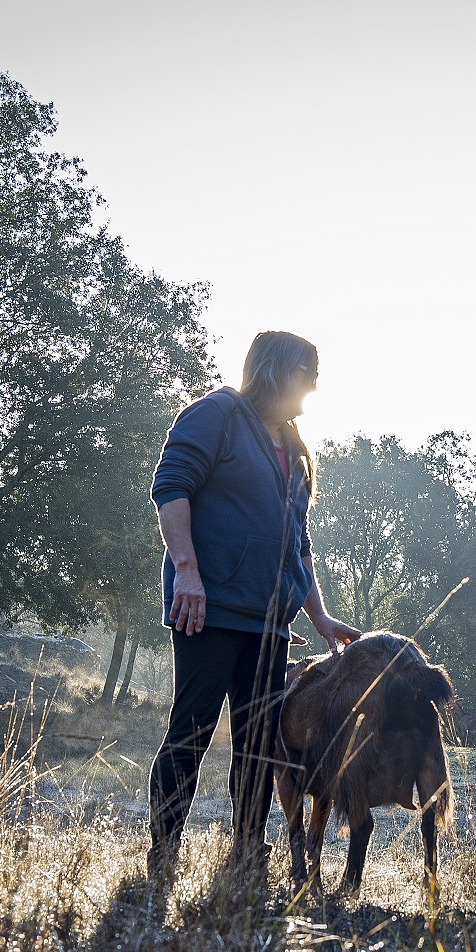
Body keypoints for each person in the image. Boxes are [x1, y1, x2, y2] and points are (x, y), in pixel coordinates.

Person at [147, 331, 360, 888]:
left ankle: (246, 856)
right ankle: (163, 856)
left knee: (258, 748)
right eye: (306, 368)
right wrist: (187, 573)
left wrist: (318, 617)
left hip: (271, 627)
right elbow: (171, 488)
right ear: (273, 368)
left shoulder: (293, 446)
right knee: (190, 733)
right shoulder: (216, 415)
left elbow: (298, 544)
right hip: (209, 611)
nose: (315, 380)